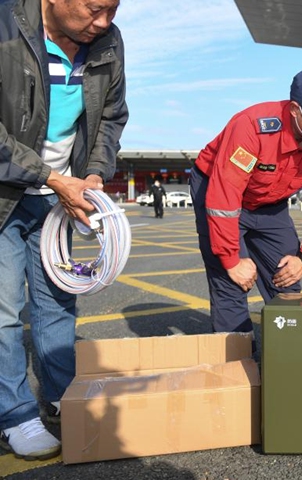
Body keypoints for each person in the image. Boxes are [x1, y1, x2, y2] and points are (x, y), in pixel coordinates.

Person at [0, 0, 127, 461]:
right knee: (4, 310)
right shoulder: (4, 26)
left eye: (113, 9)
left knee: (57, 303)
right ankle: (15, 416)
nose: (104, 22)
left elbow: (110, 117)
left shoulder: (106, 41)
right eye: (95, 8)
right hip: (6, 195)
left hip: (59, 197)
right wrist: (52, 177)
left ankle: (61, 396)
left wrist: (93, 175)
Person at [191, 68, 302, 335]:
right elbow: (224, 196)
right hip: (218, 191)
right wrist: (231, 260)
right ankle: (237, 364)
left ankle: (289, 357)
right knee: (232, 283)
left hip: (271, 203)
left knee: (287, 279)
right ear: (294, 110)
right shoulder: (252, 127)